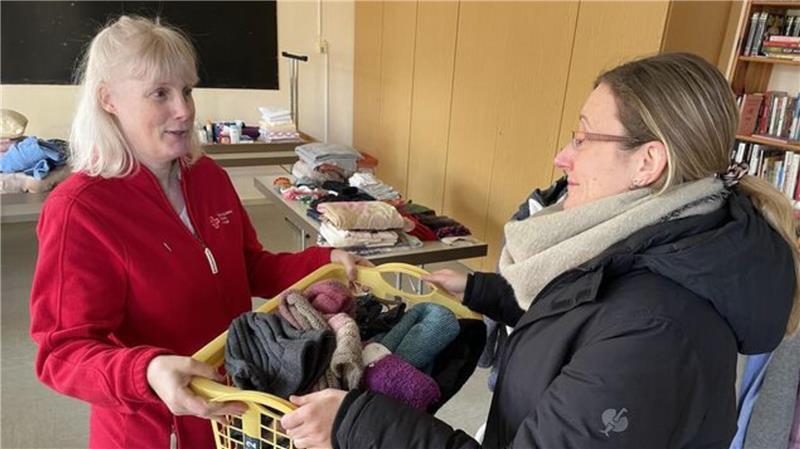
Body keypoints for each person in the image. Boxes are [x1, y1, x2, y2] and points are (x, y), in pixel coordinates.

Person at [279, 52, 800, 449]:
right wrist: (488, 292)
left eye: (583, 138)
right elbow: (585, 314)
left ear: (648, 163)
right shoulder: (654, 245)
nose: (562, 156)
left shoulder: (657, 331)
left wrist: (355, 422)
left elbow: (615, 329)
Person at [29, 16, 369, 449]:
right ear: (108, 99)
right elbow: (63, 352)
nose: (184, 109)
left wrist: (323, 262)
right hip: (155, 427)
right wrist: (147, 371)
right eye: (160, 94)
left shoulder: (206, 175)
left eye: (187, 90)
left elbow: (248, 265)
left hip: (236, 407)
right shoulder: (79, 210)